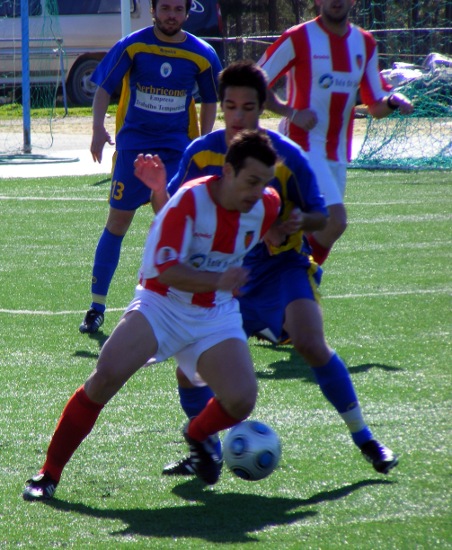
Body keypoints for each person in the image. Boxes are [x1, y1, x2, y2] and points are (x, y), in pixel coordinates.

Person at [135, 60, 399, 478]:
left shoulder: (287, 156)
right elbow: (168, 214)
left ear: (263, 109)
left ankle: (365, 438)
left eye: (248, 108)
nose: (238, 117)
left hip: (282, 266)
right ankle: (204, 448)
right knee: (190, 372)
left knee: (310, 342)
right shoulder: (201, 152)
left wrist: (297, 221)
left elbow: (322, 216)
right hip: (225, 275)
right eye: (230, 107)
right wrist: (156, 189)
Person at [22, 130, 281, 501]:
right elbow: (167, 271)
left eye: (264, 183)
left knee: (241, 399)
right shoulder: (190, 201)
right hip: (162, 304)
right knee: (105, 376)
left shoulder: (266, 204)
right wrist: (221, 278)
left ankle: (196, 435)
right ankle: (49, 473)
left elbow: (270, 230)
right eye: (251, 181)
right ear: (228, 171)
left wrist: (292, 230)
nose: (258, 192)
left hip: (215, 312)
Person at [79, 0, 222, 334]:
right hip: (134, 151)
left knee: (177, 225)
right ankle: (96, 307)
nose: (172, 15)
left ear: (187, 13)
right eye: (165, 8)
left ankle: (186, 303)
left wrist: (203, 142)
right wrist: (97, 128)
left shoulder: (202, 54)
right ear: (153, 11)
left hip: (175, 154)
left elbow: (211, 99)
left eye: (178, 9)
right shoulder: (133, 45)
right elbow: (103, 87)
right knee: (117, 223)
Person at [258, 0, 414, 265]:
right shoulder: (299, 36)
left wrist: (392, 101)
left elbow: (375, 104)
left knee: (310, 229)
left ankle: (286, 275)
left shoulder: (364, 43)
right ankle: (298, 276)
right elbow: (254, 79)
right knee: (335, 221)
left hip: (337, 154)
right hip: (301, 147)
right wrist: (291, 112)